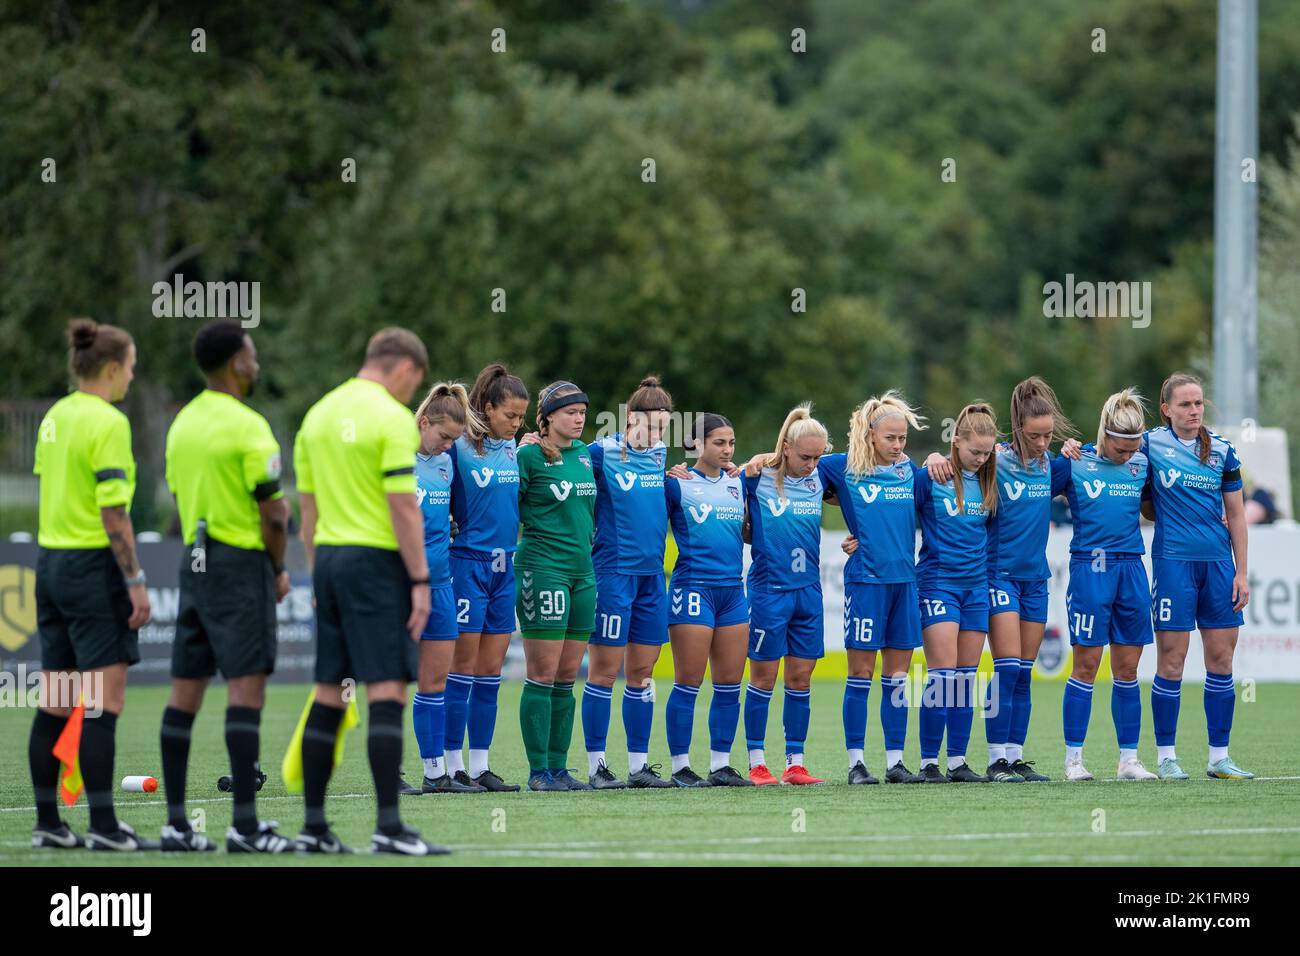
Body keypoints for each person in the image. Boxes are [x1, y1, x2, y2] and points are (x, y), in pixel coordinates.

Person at [293, 327, 446, 854]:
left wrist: (317, 574)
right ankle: (389, 827)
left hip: (330, 561)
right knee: (386, 691)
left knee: (329, 691)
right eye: (414, 383)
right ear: (404, 367)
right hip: (376, 564)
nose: (411, 394)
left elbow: (306, 515)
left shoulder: (317, 415)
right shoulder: (390, 418)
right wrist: (420, 579)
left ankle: (314, 827)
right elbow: (403, 507)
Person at [160, 320, 293, 852]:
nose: (256, 364)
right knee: (246, 689)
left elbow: (177, 494)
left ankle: (175, 825)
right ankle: (244, 826)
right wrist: (278, 568)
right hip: (240, 566)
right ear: (238, 362)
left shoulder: (181, 424)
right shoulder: (249, 426)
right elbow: (275, 515)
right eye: (253, 355)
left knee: (183, 693)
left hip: (193, 564)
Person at [30, 319, 154, 851]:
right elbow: (112, 513)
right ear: (110, 368)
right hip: (92, 570)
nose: (131, 375)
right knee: (105, 703)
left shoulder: (54, 416)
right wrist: (136, 579)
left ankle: (48, 825)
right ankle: (104, 828)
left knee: (57, 699)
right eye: (129, 366)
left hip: (50, 566)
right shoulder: (108, 421)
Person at [926, 377, 1081, 782]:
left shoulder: (1054, 466)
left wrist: (1073, 449)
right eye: (1035, 435)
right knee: (1007, 667)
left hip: (1035, 579)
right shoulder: (995, 459)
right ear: (1017, 430)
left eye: (1049, 435)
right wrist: (931, 458)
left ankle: (1014, 757)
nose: (1043, 442)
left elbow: (1103, 459)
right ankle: (995, 759)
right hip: (997, 577)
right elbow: (956, 461)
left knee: (1024, 671)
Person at [1143, 372, 1253, 780]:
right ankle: (1166, 756)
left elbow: (1238, 515)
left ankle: (1218, 757)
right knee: (1171, 660)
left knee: (1221, 659)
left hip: (1219, 568)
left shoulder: (1223, 451)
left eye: (1199, 403)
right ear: (1167, 409)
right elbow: (1108, 448)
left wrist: (1242, 572)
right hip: (1174, 565)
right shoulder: (1150, 443)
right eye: (1185, 404)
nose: (1194, 411)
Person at [1053, 389, 1156, 781]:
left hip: (1131, 568)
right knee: (1087, 665)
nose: (1127, 455)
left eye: (1133, 448)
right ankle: (1074, 760)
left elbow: (1156, 504)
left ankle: (1128, 760)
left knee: (1127, 669)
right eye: (1120, 447)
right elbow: (1027, 485)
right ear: (1104, 435)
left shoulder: (1142, 464)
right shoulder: (1074, 463)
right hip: (1090, 571)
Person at [826, 391, 928, 784]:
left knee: (897, 680)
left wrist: (935, 459)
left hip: (905, 583)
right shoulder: (841, 467)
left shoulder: (908, 469)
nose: (898, 445)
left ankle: (896, 763)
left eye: (902, 438)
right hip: (866, 582)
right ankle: (855, 763)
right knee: (861, 674)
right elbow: (796, 470)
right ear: (870, 435)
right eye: (891, 438)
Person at [583, 377, 676, 789]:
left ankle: (638, 767)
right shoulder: (600, 452)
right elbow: (561, 470)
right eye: (652, 426)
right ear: (630, 418)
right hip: (612, 575)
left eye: (664, 428)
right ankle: (597, 767)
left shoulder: (659, 457)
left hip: (652, 578)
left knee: (642, 673)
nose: (658, 435)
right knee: (603, 673)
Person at [442, 364, 529, 792]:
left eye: (522, 418)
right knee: (461, 667)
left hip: (504, 568)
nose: (517, 424)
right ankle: (450, 764)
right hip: (466, 565)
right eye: (510, 415)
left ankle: (480, 766)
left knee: (490, 671)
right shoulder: (457, 447)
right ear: (488, 408)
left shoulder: (519, 449)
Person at [738, 405, 829, 786]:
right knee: (763, 677)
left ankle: (796, 762)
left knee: (801, 679)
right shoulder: (756, 476)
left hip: (808, 592)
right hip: (768, 592)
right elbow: (717, 482)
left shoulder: (824, 475)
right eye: (805, 457)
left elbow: (868, 463)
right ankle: (757, 762)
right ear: (787, 448)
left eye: (818, 457)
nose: (812, 464)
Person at [515, 382, 598, 791]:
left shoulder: (585, 455)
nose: (579, 418)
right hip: (543, 569)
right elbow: (502, 506)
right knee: (542, 674)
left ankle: (559, 769)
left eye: (583, 411)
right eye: (569, 412)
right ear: (547, 417)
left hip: (584, 575)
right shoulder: (527, 455)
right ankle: (538, 772)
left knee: (568, 675)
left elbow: (639, 438)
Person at [910, 404, 1000, 783]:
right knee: (942, 676)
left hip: (975, 588)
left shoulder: (990, 482)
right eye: (974, 451)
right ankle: (929, 761)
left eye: (987, 453)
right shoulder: (931, 476)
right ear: (955, 440)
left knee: (966, 677)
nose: (981, 459)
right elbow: (895, 516)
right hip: (938, 584)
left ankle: (958, 761)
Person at [404, 383, 486, 794]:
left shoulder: (445, 463)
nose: (448, 446)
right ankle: (388, 769)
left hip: (440, 585)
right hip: (396, 586)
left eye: (454, 440)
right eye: (443, 437)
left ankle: (435, 774)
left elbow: (458, 515)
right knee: (388, 683)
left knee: (435, 682)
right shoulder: (395, 461)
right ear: (423, 423)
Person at [662, 414, 752, 786]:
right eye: (719, 442)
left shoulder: (740, 482)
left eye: (731, 443)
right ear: (697, 444)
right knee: (689, 681)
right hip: (693, 589)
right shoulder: (676, 483)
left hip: (733, 591)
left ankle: (720, 765)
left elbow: (748, 532)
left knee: (730, 683)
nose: (727, 449)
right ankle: (680, 766)